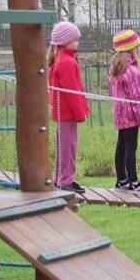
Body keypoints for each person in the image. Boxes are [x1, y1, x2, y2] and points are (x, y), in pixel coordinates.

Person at [48, 21, 90, 194]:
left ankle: (60, 178)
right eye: (75, 39)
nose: (78, 42)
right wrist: (80, 113)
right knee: (68, 147)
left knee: (63, 146)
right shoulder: (67, 62)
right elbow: (72, 91)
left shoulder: (60, 59)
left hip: (62, 113)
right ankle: (66, 180)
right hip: (68, 113)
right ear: (66, 41)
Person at [109, 29, 140, 192]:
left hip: (120, 115)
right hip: (131, 115)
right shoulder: (132, 71)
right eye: (137, 46)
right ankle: (134, 181)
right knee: (131, 148)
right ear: (131, 48)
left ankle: (121, 179)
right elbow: (137, 97)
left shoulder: (116, 68)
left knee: (121, 146)